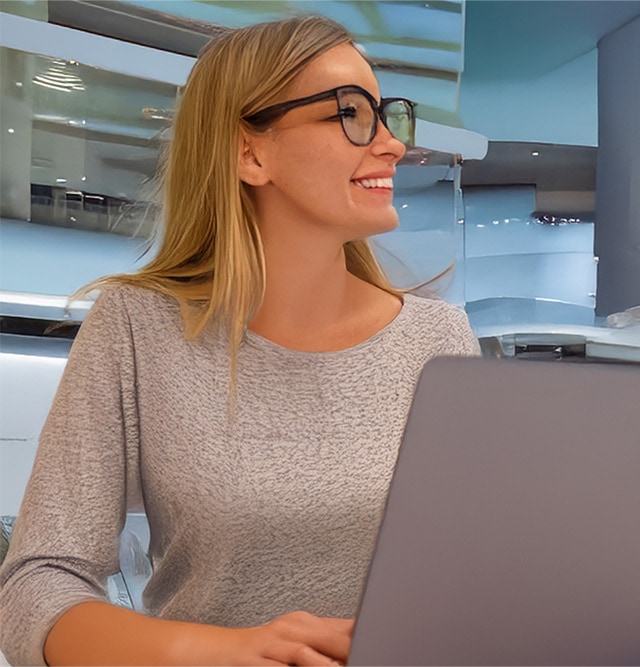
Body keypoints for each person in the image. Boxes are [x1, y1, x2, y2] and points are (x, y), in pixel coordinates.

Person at [0, 17, 477, 666]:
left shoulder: (440, 339)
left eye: (389, 116)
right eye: (350, 113)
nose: (391, 144)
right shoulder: (136, 328)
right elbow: (37, 584)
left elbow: (474, 572)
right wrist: (212, 650)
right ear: (250, 153)